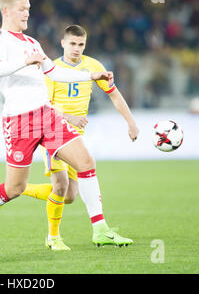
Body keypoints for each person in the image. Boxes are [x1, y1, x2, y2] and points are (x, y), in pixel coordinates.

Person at [0, 0, 131, 251]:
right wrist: (24, 63)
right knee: (14, 187)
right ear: (6, 10)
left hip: (46, 114)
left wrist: (91, 76)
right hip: (19, 121)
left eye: (29, 7)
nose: (27, 12)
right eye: (22, 8)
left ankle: (100, 229)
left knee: (86, 161)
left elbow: (54, 72)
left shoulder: (32, 42)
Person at [20, 25, 139, 249]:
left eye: (81, 44)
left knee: (70, 195)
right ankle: (53, 237)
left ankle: (19, 187)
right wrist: (69, 117)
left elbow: (114, 95)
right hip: (53, 131)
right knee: (60, 186)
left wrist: (131, 122)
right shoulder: (51, 69)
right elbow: (43, 106)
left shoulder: (93, 66)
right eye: (72, 43)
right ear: (63, 43)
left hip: (76, 137)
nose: (76, 48)